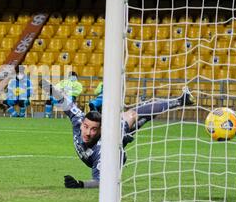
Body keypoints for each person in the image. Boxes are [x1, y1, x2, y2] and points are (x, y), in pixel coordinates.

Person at [41, 79, 195, 189]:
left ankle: (179, 101)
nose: (87, 132)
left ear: (101, 129)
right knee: (133, 119)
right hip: (111, 135)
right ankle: (132, 130)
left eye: (93, 129)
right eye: (86, 127)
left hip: (115, 149)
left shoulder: (103, 150)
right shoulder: (78, 118)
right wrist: (47, 86)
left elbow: (101, 182)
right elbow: (64, 100)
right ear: (82, 124)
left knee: (132, 116)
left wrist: (80, 184)